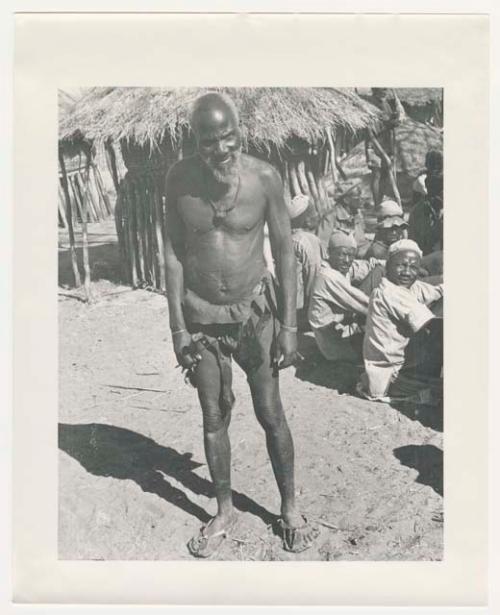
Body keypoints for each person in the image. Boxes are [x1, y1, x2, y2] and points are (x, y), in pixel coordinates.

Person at [163, 92, 319, 557]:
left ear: (239, 132)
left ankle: (289, 508)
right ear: (197, 141)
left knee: (270, 412)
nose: (221, 149)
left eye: (228, 137)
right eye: (209, 141)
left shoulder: (265, 178)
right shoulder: (178, 180)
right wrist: (178, 330)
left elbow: (287, 256)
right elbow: (172, 254)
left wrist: (290, 327)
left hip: (255, 312)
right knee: (214, 417)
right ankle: (225, 508)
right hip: (201, 315)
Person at [356, 239, 443, 402]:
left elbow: (435, 291)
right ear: (388, 265)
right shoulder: (390, 293)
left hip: (385, 374)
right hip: (391, 377)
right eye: (401, 265)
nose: (407, 272)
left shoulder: (401, 286)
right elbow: (434, 327)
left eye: (413, 267)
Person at [308, 230, 384, 363]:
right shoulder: (328, 276)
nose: (347, 260)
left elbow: (369, 266)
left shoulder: (340, 266)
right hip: (337, 345)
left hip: (344, 327)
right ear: (329, 253)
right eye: (342, 254)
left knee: (379, 271)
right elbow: (366, 305)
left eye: (351, 255)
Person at [287, 194, 325, 330]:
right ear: (307, 221)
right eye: (314, 212)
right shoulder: (306, 240)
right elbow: (314, 279)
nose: (317, 215)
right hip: (302, 313)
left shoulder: (290, 238)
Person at [364, 88, 404, 205]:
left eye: (385, 91)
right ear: (376, 91)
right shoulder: (370, 104)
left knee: (385, 174)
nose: (385, 93)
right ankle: (377, 205)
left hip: (386, 143)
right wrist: (392, 121)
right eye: (383, 90)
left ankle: (381, 202)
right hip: (374, 144)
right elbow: (379, 124)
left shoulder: (385, 104)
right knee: (376, 173)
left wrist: (395, 117)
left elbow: (388, 120)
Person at [408, 150, 443, 255]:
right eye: (434, 164)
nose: (436, 167)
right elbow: (425, 193)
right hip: (422, 214)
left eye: (438, 164)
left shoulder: (435, 178)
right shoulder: (422, 179)